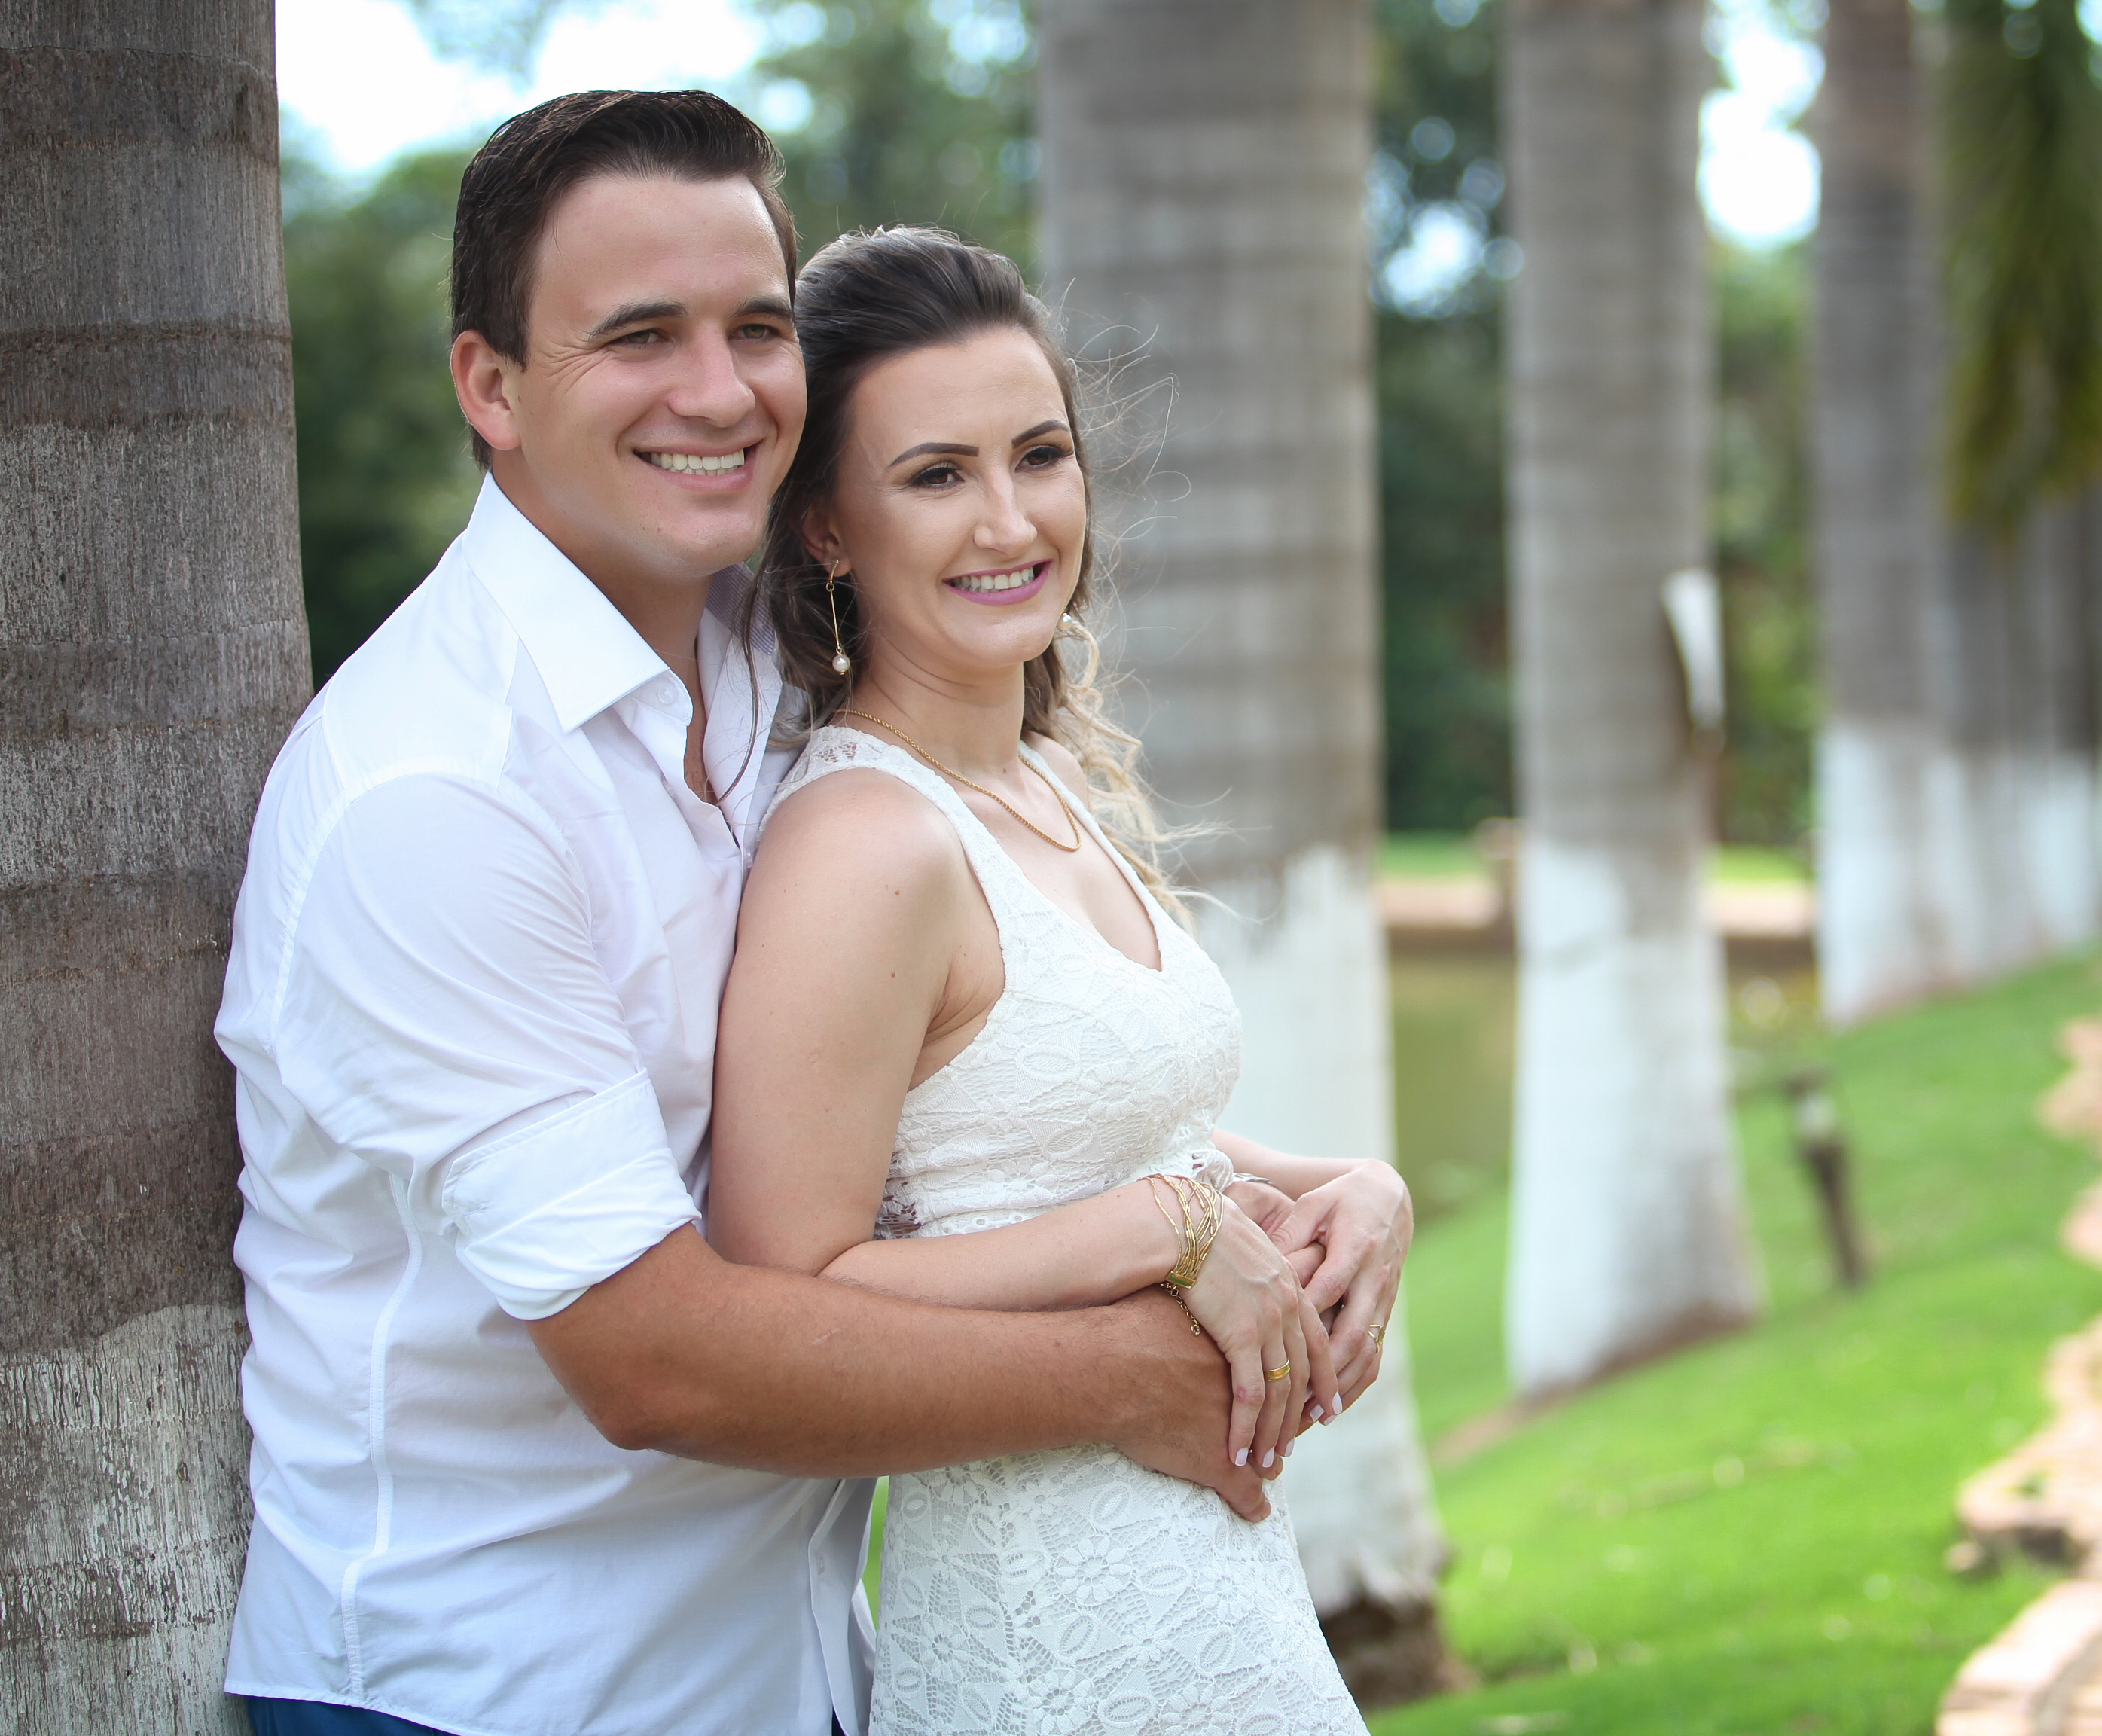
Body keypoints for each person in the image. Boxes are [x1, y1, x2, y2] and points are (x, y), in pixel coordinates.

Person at [213, 90, 1408, 1736]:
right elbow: (661, 1361)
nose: (717, 392)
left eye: (755, 329)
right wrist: (1137, 1351)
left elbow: (981, 1102)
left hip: (801, 1666)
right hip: (498, 1691)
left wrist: (1333, 1186)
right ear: (489, 385)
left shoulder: (770, 665)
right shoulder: (433, 795)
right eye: (639, 336)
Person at [710, 227, 1390, 1734]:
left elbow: (1060, 1130)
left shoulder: (1033, 778)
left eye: (1039, 455)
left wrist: (1349, 1185)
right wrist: (1167, 1229)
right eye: (935, 474)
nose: (1008, 518)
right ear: (826, 524)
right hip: (1048, 1627)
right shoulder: (863, 842)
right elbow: (786, 1281)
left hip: (1204, 1594)